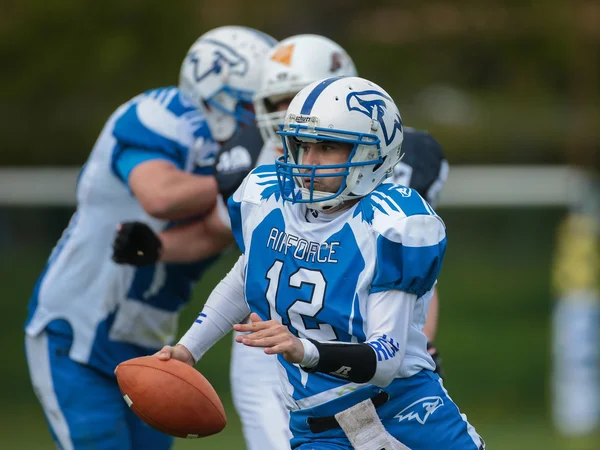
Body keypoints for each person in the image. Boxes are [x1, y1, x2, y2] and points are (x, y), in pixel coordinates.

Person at [113, 35, 450, 450]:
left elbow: (384, 360)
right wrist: (187, 349)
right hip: (316, 422)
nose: (307, 163)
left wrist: (302, 349)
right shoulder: (266, 195)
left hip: (403, 410)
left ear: (373, 151)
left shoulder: (390, 223)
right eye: (302, 146)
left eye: (327, 147)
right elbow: (245, 273)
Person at [24, 25, 276, 450]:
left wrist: (160, 247)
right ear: (218, 90)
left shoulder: (245, 153)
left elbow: (215, 230)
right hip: (77, 327)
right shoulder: (159, 116)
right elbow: (159, 195)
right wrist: (230, 176)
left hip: (149, 338)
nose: (261, 115)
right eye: (255, 102)